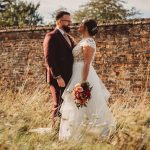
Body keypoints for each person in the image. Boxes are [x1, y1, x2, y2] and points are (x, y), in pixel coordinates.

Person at [59, 19, 116, 140]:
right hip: (76, 73)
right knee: (76, 105)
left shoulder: (89, 42)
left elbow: (86, 63)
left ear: (85, 27)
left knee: (82, 103)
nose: (78, 25)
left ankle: (88, 135)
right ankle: (75, 133)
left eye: (81, 24)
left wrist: (83, 82)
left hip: (83, 75)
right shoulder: (83, 41)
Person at [43, 11, 76, 128]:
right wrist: (57, 77)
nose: (70, 23)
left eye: (70, 21)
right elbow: (49, 58)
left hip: (68, 77)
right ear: (59, 21)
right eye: (67, 21)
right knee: (58, 104)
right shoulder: (51, 36)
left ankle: (64, 130)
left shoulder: (67, 37)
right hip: (58, 78)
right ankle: (55, 131)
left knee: (66, 104)